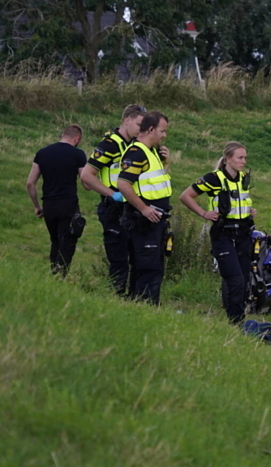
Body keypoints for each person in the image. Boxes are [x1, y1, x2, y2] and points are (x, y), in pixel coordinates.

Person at [179, 142, 256, 324]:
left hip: (243, 233)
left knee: (243, 279)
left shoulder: (243, 177)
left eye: (245, 157)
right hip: (223, 234)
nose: (244, 161)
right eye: (240, 157)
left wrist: (250, 211)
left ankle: (235, 317)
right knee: (234, 279)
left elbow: (240, 202)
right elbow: (185, 196)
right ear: (228, 159)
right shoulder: (213, 178)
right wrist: (203, 213)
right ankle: (236, 321)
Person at [81, 104, 147, 295]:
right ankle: (115, 297)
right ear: (126, 120)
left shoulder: (134, 145)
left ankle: (134, 298)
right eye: (138, 124)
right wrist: (112, 194)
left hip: (131, 208)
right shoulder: (110, 144)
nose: (140, 130)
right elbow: (86, 176)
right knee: (119, 259)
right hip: (114, 208)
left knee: (136, 256)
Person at [117, 111, 172, 305]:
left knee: (150, 268)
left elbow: (151, 184)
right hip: (143, 222)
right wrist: (144, 209)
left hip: (155, 222)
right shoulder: (137, 152)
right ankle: (146, 308)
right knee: (148, 270)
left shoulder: (151, 152)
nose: (164, 135)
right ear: (150, 129)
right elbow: (123, 184)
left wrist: (166, 164)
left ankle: (137, 306)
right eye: (162, 131)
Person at [26, 124, 88, 276]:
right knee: (67, 242)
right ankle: (61, 275)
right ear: (77, 138)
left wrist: (37, 206)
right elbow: (86, 182)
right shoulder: (78, 154)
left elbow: (30, 183)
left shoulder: (42, 153)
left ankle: (54, 271)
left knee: (55, 240)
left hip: (49, 205)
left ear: (63, 135)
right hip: (68, 204)